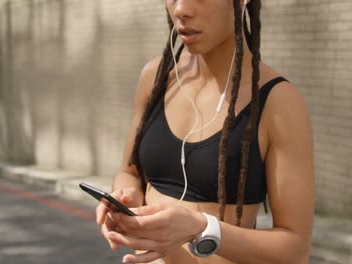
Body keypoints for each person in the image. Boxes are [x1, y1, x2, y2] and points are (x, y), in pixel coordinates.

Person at [96, 0, 314, 263]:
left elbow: (296, 249)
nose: (180, 10)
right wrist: (127, 196)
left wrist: (202, 228)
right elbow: (128, 172)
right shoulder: (155, 77)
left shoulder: (277, 101)